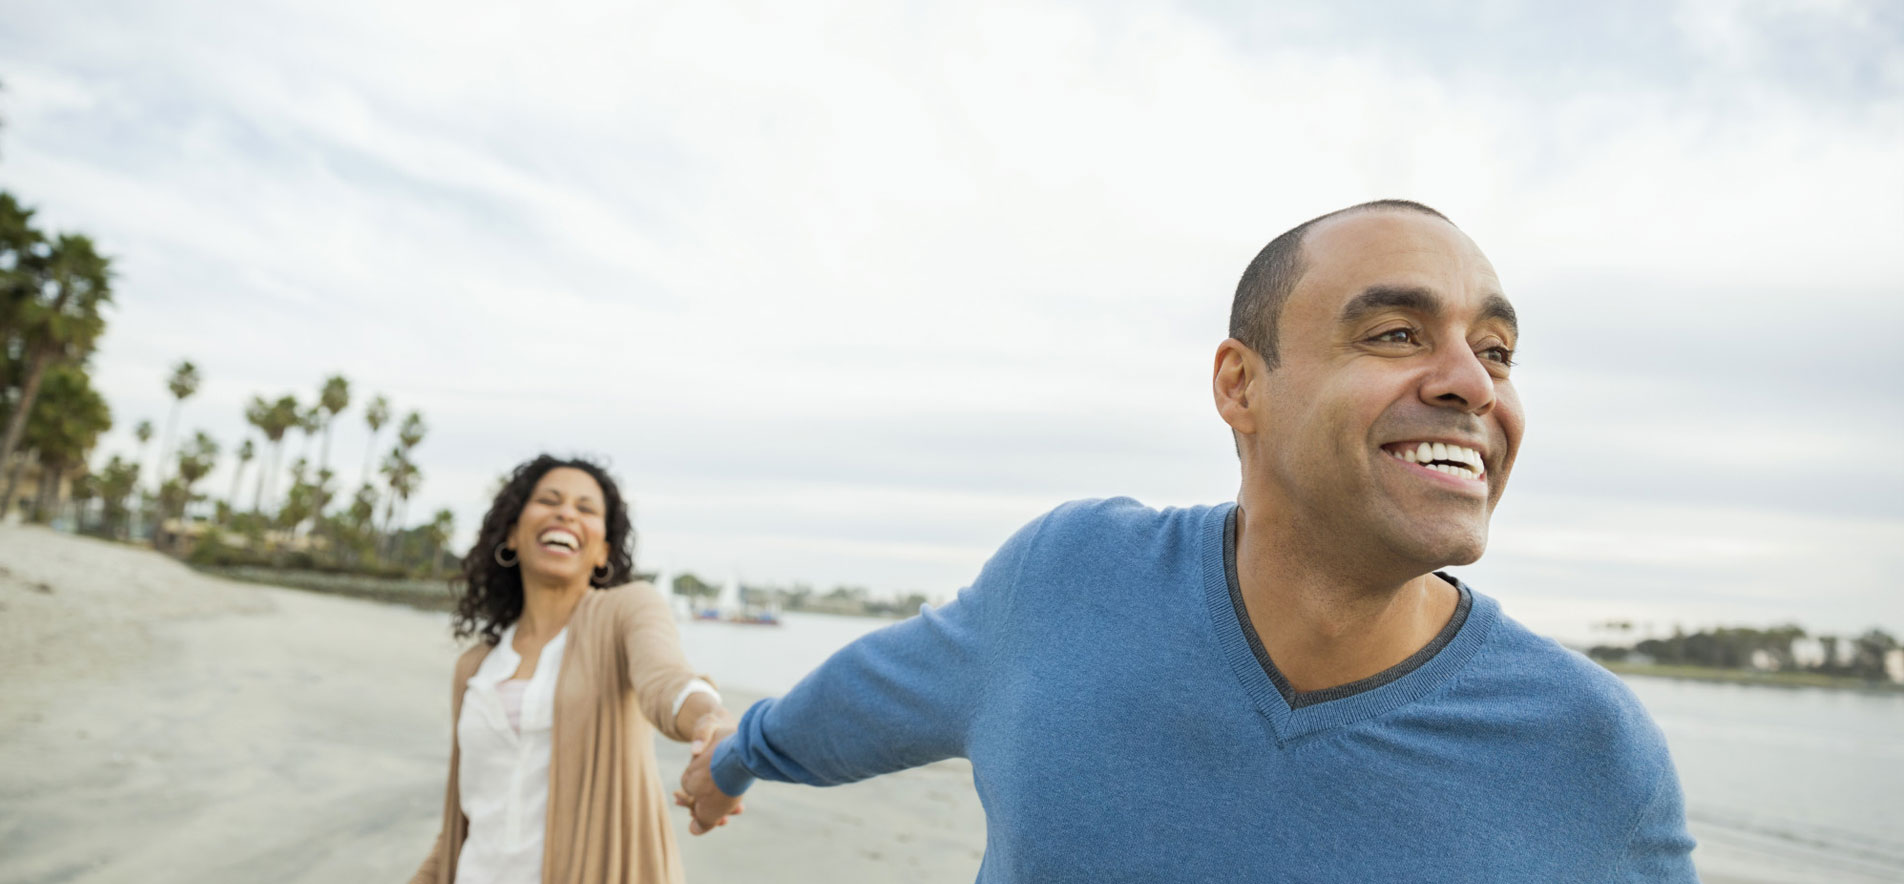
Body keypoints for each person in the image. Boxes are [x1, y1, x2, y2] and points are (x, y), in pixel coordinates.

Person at [676, 200, 1698, 880]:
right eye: (1393, 332)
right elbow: (876, 690)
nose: (1472, 384)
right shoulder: (1072, 576)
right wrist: (736, 757)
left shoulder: (1589, 750)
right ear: (1237, 385)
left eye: (1495, 351)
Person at [413, 455, 737, 884]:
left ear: (603, 549)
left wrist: (710, 721)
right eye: (549, 500)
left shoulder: (624, 611)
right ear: (511, 533)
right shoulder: (475, 667)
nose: (566, 512)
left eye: (586, 508)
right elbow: (467, 820)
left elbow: (666, 681)